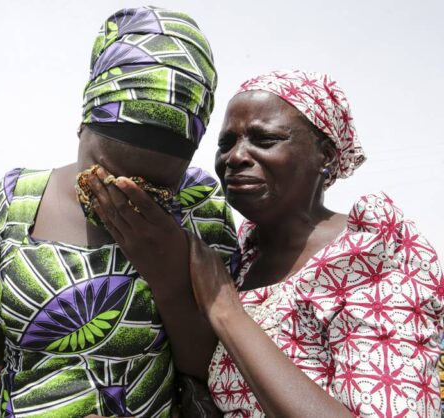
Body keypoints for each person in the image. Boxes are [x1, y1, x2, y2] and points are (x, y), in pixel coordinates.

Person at [88, 69, 444, 417]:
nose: (235, 157)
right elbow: (207, 373)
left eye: (264, 139)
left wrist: (226, 311)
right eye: (226, 143)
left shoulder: (371, 257)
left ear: (326, 155)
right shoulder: (238, 256)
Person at [0, 7, 237, 417]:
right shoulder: (19, 195)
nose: (125, 196)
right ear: (83, 123)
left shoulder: (200, 205)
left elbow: (216, 368)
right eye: (105, 174)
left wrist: (167, 275)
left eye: (157, 187)